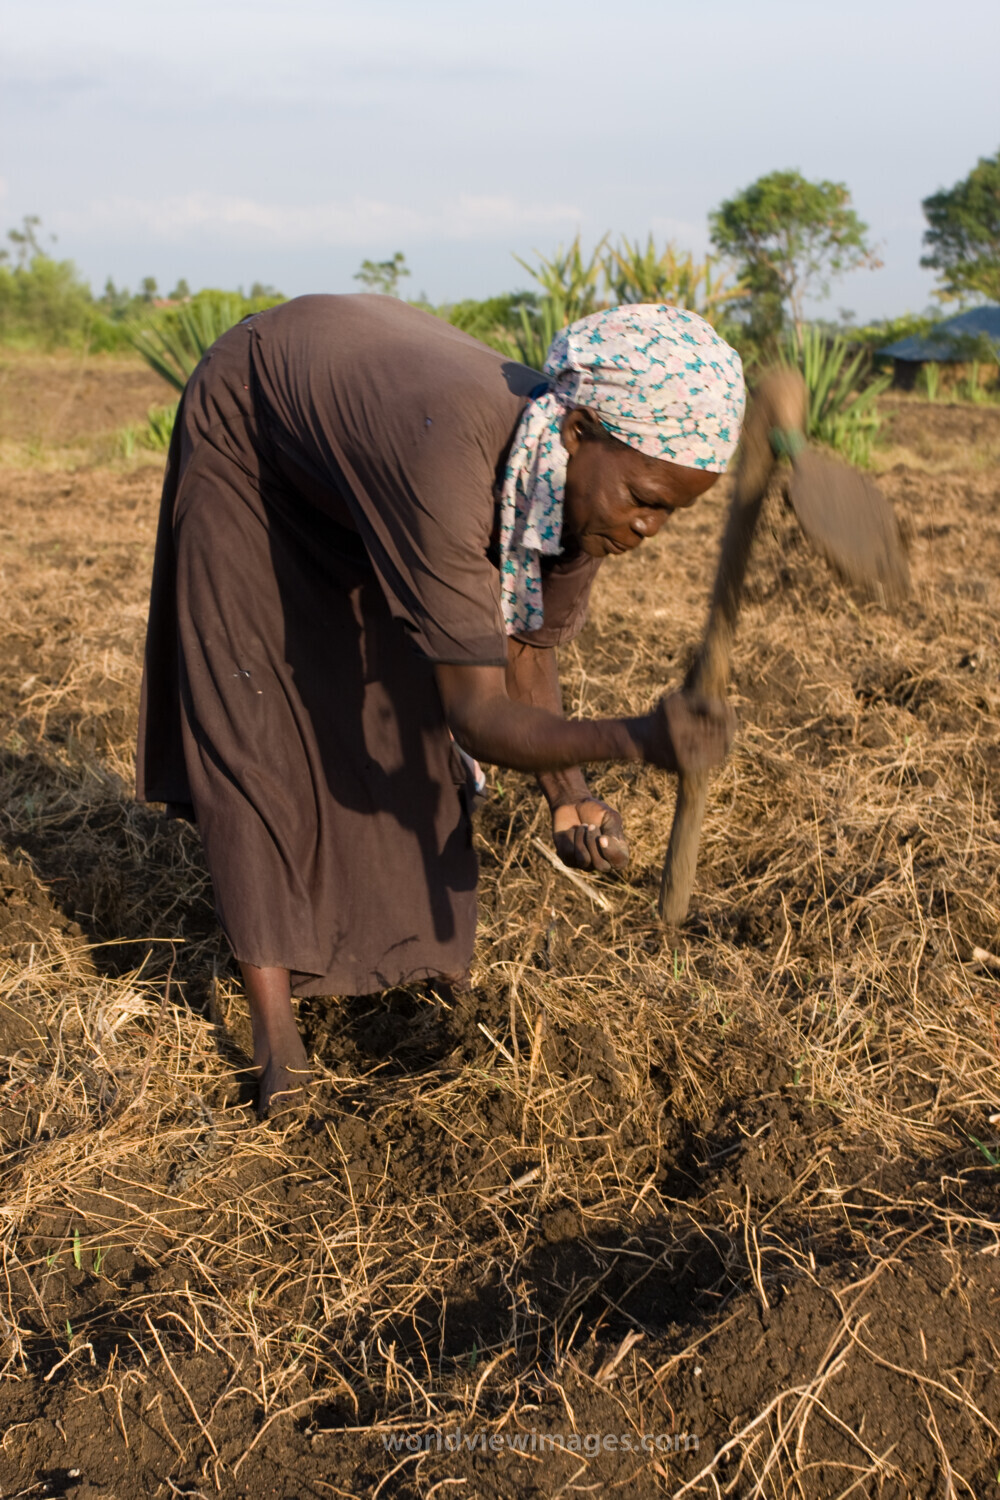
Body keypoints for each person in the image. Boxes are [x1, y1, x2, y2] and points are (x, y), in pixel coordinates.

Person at [137, 296, 744, 1117]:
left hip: (367, 440)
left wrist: (572, 796)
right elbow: (479, 718)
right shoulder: (453, 457)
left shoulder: (575, 489)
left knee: (391, 699)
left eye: (675, 511)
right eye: (646, 496)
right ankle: (277, 1045)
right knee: (260, 719)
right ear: (578, 433)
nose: (651, 526)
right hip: (256, 430)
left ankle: (402, 980)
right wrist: (637, 738)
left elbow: (526, 650)